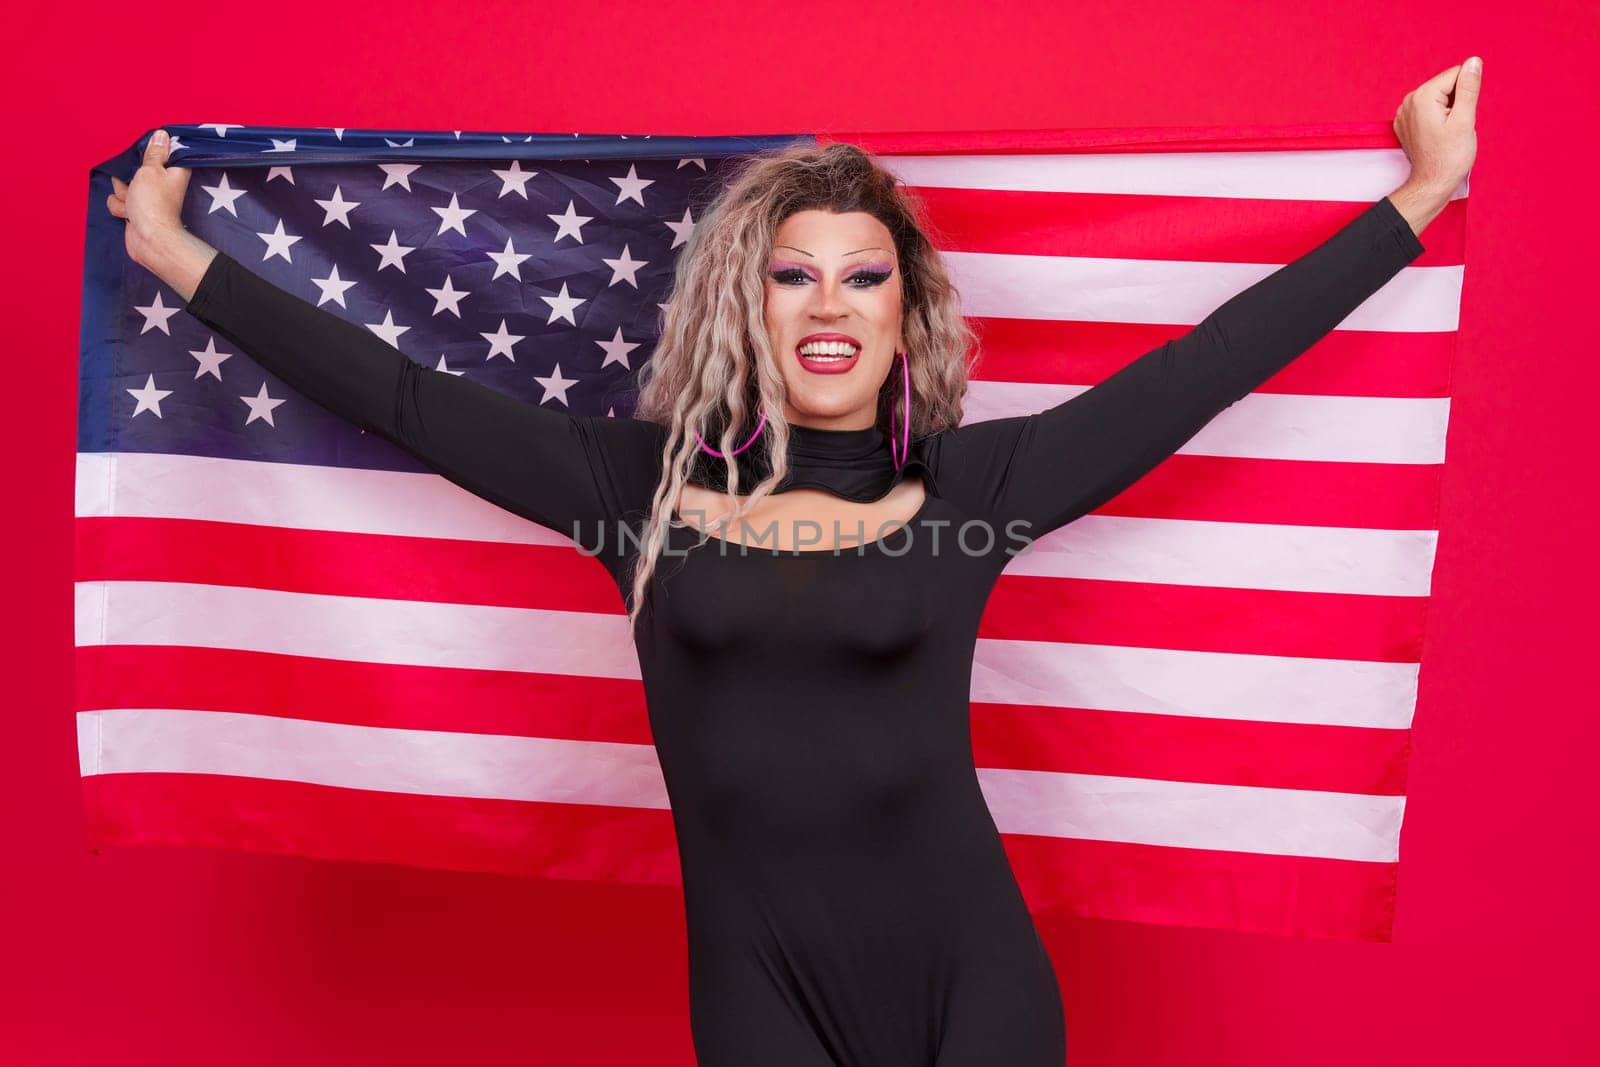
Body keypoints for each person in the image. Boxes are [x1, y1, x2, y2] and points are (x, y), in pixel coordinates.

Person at [107, 58, 1479, 1067]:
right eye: (792, 272)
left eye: (865, 274)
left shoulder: (976, 492)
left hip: (977, 991)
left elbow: (1202, 372)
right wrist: (180, 262)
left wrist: (1416, 202)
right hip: (759, 994)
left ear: (907, 316)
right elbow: (398, 396)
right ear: (744, 305)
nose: (831, 300)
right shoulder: (628, 493)